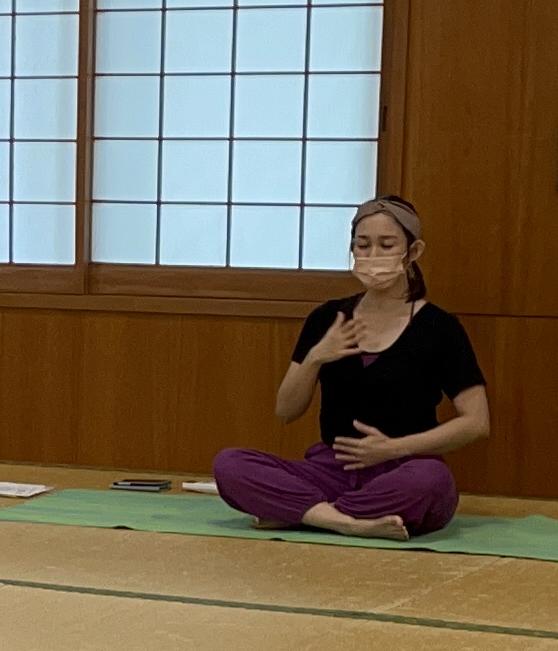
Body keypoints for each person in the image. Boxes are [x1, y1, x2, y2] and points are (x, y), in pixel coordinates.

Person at [210, 196, 491, 540]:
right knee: (230, 464)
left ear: (413, 251)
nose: (373, 255)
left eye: (386, 245)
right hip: (331, 470)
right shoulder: (328, 318)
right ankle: (347, 521)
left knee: (431, 481)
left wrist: (393, 448)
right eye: (363, 244)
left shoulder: (439, 328)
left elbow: (476, 422)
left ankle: (309, 513)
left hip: (402, 469)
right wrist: (316, 357)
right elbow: (286, 410)